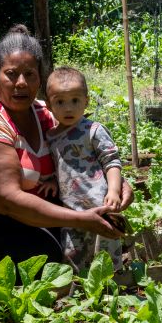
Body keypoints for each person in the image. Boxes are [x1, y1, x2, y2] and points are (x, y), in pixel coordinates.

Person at [0, 25, 130, 280]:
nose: (21, 83)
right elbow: (7, 200)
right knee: (49, 254)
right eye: (11, 74)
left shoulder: (45, 113)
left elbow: (82, 151)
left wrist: (115, 184)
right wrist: (80, 219)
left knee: (76, 239)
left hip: (15, 217)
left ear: (40, 80)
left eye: (30, 74)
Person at [43, 66, 125, 271]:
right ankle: (78, 291)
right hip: (70, 210)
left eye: (75, 101)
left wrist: (114, 190)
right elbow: (56, 164)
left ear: (86, 101)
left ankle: (110, 289)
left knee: (105, 248)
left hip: (100, 204)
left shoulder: (93, 130)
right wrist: (54, 180)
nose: (68, 108)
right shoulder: (51, 137)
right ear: (49, 105)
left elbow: (111, 161)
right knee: (73, 253)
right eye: (60, 102)